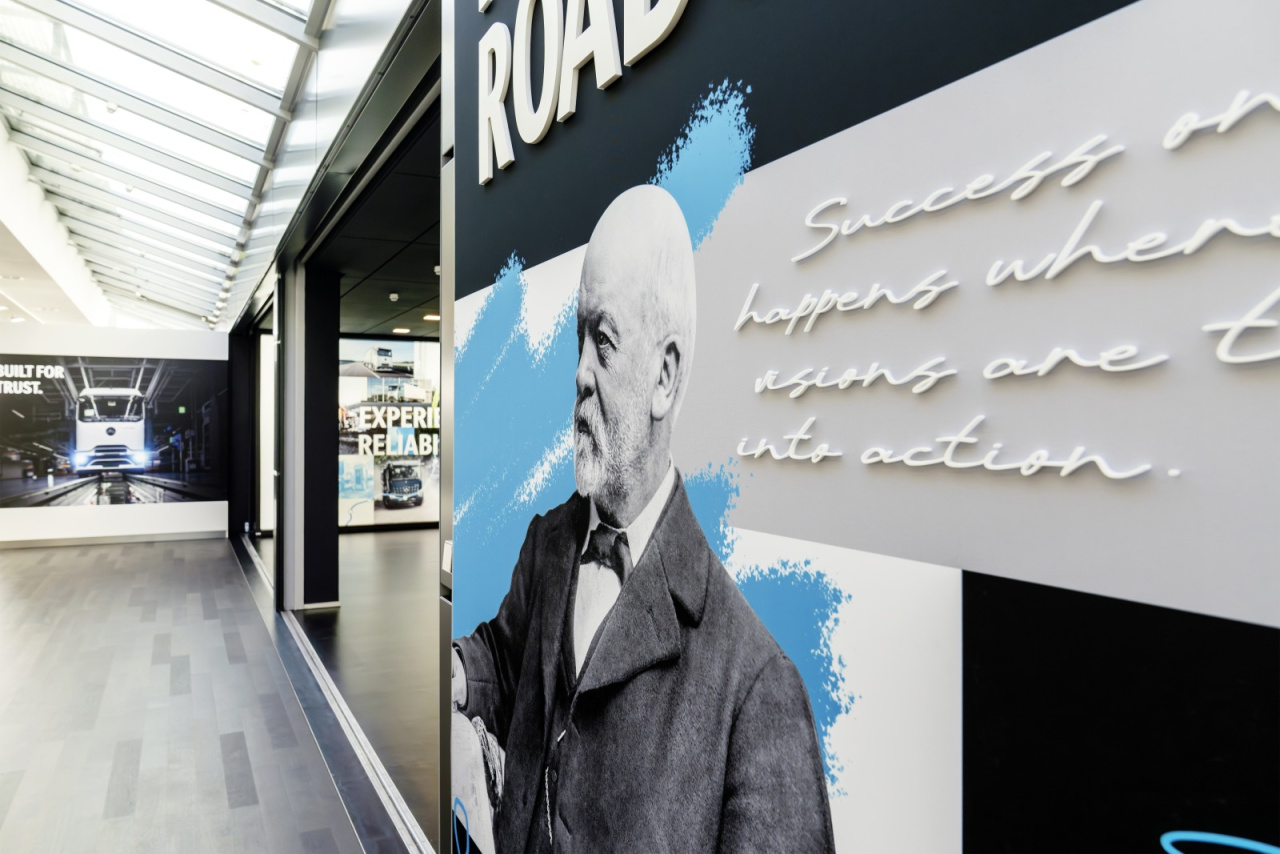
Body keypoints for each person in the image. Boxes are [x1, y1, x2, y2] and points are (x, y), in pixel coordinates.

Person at [452, 185, 835, 852]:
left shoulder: (759, 694)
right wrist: (457, 675)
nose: (579, 374)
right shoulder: (547, 545)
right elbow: (507, 661)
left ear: (664, 376)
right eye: (578, 338)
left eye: (602, 342)